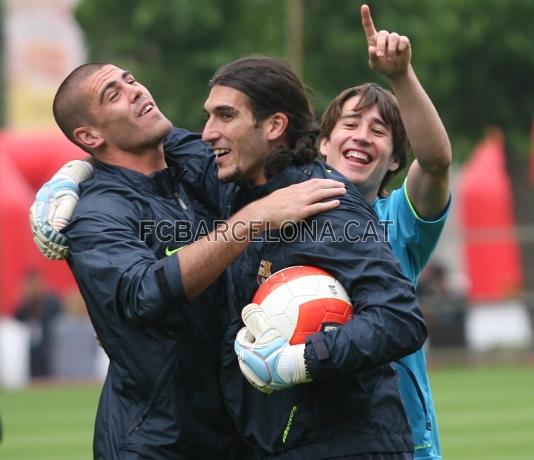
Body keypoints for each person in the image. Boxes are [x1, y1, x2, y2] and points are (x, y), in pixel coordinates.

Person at [38, 62, 345, 459]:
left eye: (130, 79)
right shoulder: (97, 213)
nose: (134, 90)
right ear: (89, 135)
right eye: (112, 94)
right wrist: (250, 222)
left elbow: (255, 148)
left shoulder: (192, 165)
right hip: (157, 444)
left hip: (236, 433)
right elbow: (140, 292)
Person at [318, 5, 451, 459]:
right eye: (349, 124)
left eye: (379, 131)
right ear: (324, 143)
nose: (361, 136)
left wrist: (401, 76)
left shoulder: (400, 220)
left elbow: (435, 161)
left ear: (394, 159)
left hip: (402, 444)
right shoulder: (283, 218)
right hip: (311, 438)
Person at [14, 268, 62, 378]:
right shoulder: (25, 306)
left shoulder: (52, 302)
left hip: (50, 347)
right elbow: (17, 322)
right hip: (31, 350)